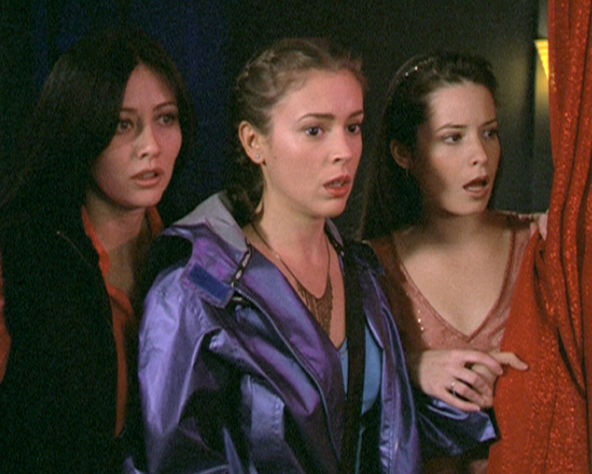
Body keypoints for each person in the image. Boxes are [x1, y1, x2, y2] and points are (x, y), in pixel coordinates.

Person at [136, 37, 429, 473]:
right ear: (254, 142)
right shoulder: (195, 288)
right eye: (315, 130)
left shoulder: (361, 274)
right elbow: (178, 460)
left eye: (353, 127)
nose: (344, 151)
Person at [0, 28, 195, 472]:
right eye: (123, 124)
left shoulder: (195, 249)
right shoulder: (20, 255)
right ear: (79, 128)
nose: (151, 147)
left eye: (166, 119)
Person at [360, 52, 535, 472]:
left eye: (489, 133)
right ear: (403, 153)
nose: (480, 155)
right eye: (453, 138)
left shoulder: (540, 245)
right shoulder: (369, 266)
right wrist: (409, 367)